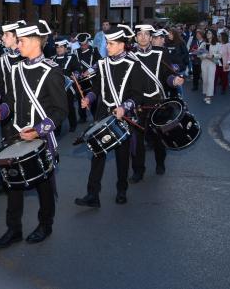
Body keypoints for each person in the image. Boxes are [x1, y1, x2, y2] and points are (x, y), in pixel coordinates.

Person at [0, 20, 68, 248]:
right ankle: (13, 229)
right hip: (16, 136)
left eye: (21, 40)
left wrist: (38, 131)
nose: (17, 44)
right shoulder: (16, 70)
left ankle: (45, 224)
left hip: (39, 139)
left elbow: (60, 110)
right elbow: (11, 102)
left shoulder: (52, 71)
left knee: (44, 185)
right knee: (13, 185)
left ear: (34, 42)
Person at [74, 25, 149, 208]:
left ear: (122, 45)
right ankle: (93, 195)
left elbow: (138, 94)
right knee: (97, 154)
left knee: (122, 157)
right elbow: (96, 89)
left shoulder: (134, 65)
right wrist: (89, 99)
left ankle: (121, 190)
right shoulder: (102, 64)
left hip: (123, 117)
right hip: (103, 114)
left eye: (111, 43)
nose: (107, 47)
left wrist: (125, 107)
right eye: (107, 43)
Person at [128, 24, 184, 181]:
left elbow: (167, 75)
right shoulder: (130, 55)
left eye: (147, 34)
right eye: (140, 34)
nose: (143, 37)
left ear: (151, 37)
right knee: (137, 140)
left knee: (158, 137)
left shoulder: (161, 53)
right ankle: (138, 170)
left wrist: (174, 80)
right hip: (138, 104)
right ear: (136, 37)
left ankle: (160, 163)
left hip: (157, 102)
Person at [0, 20, 25, 198]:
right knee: (6, 145)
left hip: (24, 110)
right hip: (7, 109)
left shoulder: (26, 57)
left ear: (17, 37)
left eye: (7, 35)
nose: (3, 38)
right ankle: (5, 182)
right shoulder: (2, 58)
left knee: (24, 147)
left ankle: (25, 178)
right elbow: (0, 86)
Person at [51, 39, 79, 133]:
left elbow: (77, 69)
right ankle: (57, 128)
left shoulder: (72, 57)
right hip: (55, 88)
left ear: (66, 48)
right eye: (57, 47)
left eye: (61, 47)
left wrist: (75, 75)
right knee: (56, 108)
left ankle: (73, 125)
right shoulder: (52, 59)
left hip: (68, 87)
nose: (59, 49)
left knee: (69, 107)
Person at [74, 33, 101, 123]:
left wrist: (89, 71)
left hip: (92, 79)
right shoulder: (76, 52)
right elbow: (74, 65)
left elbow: (99, 62)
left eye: (85, 44)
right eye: (81, 45)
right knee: (80, 99)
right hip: (80, 80)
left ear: (88, 42)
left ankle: (95, 117)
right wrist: (77, 74)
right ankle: (82, 117)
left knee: (93, 99)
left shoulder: (94, 50)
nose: (83, 46)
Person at [199, 30, 220, 104]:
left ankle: (209, 97)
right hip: (204, 63)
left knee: (210, 80)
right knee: (205, 80)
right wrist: (204, 55)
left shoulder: (217, 44)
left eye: (209, 33)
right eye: (207, 33)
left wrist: (213, 55)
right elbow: (199, 54)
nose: (208, 34)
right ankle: (206, 93)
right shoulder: (203, 44)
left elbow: (220, 55)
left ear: (213, 35)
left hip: (212, 63)